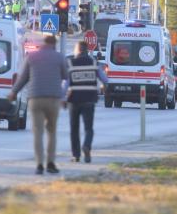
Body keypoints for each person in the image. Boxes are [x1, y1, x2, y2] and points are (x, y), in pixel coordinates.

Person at [8, 35, 68, 175]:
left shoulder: (32, 57)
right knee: (51, 132)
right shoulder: (59, 57)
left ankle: (39, 164)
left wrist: (13, 92)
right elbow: (66, 77)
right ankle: (51, 163)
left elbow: (23, 79)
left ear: (43, 44)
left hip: (35, 98)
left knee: (38, 132)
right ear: (54, 44)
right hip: (53, 98)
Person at [65, 41, 108, 163]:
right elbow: (105, 79)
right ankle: (87, 146)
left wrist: (63, 98)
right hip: (89, 99)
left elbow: (66, 84)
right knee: (88, 128)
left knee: (74, 128)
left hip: (74, 100)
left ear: (78, 50)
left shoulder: (71, 63)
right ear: (86, 50)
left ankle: (76, 155)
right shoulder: (94, 63)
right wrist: (104, 86)